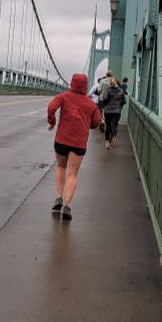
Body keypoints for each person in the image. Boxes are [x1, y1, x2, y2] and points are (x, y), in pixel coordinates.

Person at [47, 72, 102, 220]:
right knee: (72, 173)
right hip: (79, 142)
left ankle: (58, 198)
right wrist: (86, 124)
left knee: (61, 167)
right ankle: (67, 206)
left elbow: (51, 107)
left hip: (61, 140)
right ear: (85, 85)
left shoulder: (63, 97)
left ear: (72, 83)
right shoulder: (91, 104)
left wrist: (52, 122)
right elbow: (97, 122)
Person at [101, 76, 126, 150]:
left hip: (108, 111)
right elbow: (124, 101)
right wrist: (119, 107)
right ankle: (114, 135)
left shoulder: (107, 90)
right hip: (117, 111)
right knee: (114, 125)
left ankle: (107, 142)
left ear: (110, 83)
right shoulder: (121, 91)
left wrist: (105, 105)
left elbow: (104, 99)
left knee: (108, 126)